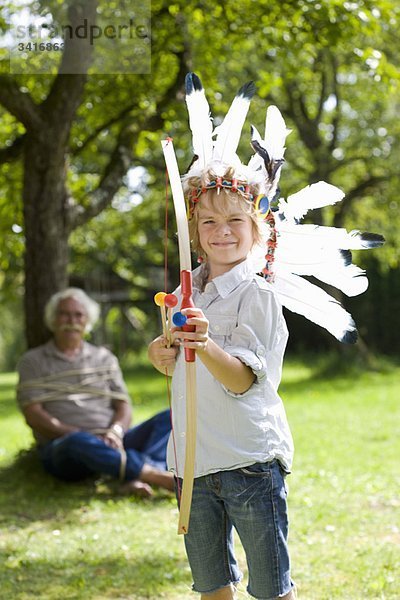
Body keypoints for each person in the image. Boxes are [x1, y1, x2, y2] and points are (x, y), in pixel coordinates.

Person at [16, 287, 174, 498]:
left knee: (171, 416)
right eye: (64, 314)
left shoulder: (104, 358)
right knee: (77, 441)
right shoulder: (33, 361)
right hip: (66, 447)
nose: (71, 320)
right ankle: (154, 475)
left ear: (87, 321)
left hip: (113, 440)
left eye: (78, 314)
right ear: (53, 319)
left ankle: (130, 475)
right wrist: (83, 434)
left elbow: (123, 405)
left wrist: (115, 432)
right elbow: (33, 414)